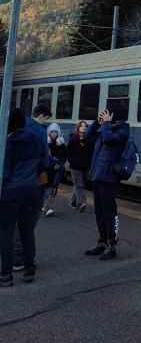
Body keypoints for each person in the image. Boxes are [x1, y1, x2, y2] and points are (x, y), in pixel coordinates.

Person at [0, 108, 46, 287]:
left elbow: (5, 171)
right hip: (32, 191)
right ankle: (29, 270)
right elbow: (44, 163)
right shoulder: (36, 139)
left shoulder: (6, 143)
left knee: (6, 233)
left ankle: (5, 276)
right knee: (27, 231)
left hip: (9, 193)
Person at [85, 108, 129, 261]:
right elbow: (86, 135)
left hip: (109, 178)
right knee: (99, 212)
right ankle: (102, 242)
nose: (105, 117)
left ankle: (112, 246)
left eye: (107, 114)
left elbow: (109, 138)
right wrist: (98, 121)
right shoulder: (107, 128)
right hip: (97, 175)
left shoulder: (122, 130)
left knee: (109, 213)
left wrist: (106, 124)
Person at [12, 103, 51, 273]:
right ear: (42, 115)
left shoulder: (19, 126)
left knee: (12, 224)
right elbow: (44, 161)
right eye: (47, 118)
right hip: (32, 184)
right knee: (28, 225)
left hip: (12, 185)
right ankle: (25, 260)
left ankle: (12, 260)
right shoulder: (40, 132)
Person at [67, 121, 93, 213]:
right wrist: (72, 161)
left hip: (85, 166)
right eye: (81, 126)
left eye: (85, 126)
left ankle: (73, 202)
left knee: (78, 184)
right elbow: (68, 151)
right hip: (75, 166)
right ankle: (82, 202)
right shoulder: (73, 138)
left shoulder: (88, 139)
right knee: (79, 184)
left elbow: (90, 153)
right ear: (78, 128)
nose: (84, 128)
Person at [43, 123, 67, 217]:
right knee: (44, 187)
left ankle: (48, 207)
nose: (53, 134)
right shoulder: (46, 143)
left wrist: (59, 163)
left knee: (53, 187)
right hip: (46, 169)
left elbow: (64, 156)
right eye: (52, 132)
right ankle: (43, 205)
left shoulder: (61, 144)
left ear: (58, 133)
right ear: (48, 133)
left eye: (55, 132)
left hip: (57, 169)